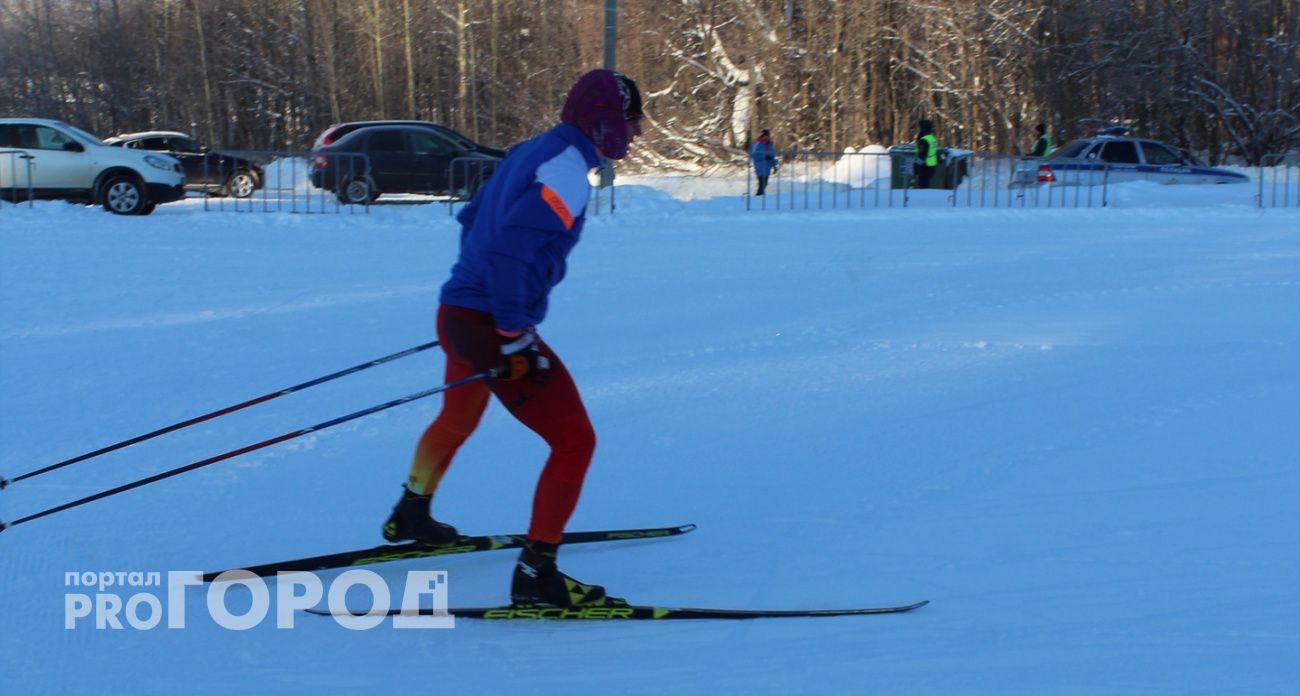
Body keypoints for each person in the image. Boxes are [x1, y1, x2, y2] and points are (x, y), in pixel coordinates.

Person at [382, 69, 644, 608]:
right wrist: (511, 335)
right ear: (605, 122)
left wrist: (475, 299)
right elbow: (507, 253)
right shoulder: (567, 173)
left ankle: (412, 509)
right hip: (489, 328)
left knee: (457, 418)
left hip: (458, 313)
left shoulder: (536, 150)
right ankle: (537, 573)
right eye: (630, 122)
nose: (635, 134)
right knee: (575, 442)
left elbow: (474, 216)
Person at [750, 128, 777, 195]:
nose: (767, 137)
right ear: (762, 136)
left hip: (767, 167)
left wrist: (774, 166)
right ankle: (759, 196)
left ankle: (759, 196)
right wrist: (763, 157)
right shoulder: (757, 144)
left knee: (765, 183)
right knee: (762, 183)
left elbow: (772, 156)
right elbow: (753, 155)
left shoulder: (770, 144)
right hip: (760, 167)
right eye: (766, 135)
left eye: (768, 135)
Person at [914, 119, 938, 189]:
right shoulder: (932, 138)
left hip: (925, 167)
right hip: (932, 165)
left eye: (920, 127)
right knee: (926, 185)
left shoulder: (924, 140)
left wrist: (916, 166)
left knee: (923, 187)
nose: (919, 129)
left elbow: (922, 155)